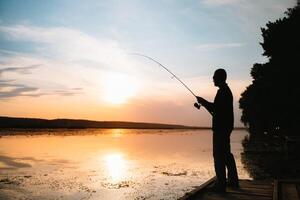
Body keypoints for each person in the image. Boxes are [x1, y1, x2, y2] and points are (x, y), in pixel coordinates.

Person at [195, 68, 239, 193]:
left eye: (214, 76)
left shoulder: (223, 92)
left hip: (221, 129)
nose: (212, 79)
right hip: (225, 128)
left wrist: (203, 101)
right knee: (226, 154)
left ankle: (221, 184)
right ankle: (233, 181)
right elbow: (218, 110)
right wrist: (204, 104)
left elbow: (216, 108)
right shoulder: (225, 91)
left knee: (218, 155)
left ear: (220, 78)